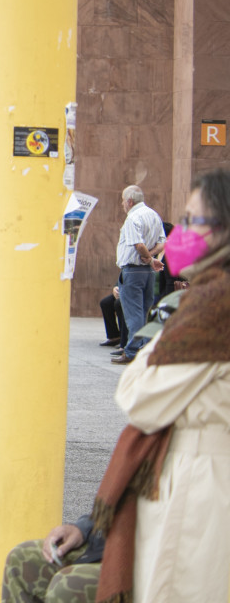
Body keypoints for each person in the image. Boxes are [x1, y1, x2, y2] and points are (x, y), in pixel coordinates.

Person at [93, 168, 230, 602]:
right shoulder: (204, 298)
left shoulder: (212, 306)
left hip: (199, 485)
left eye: (193, 221)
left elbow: (140, 399)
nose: (178, 234)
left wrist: (147, 355)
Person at [110, 186, 165, 365]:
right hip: (147, 273)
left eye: (122, 200)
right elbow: (162, 242)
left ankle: (132, 351)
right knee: (145, 311)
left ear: (129, 201)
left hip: (133, 270)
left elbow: (138, 245)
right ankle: (145, 349)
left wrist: (148, 258)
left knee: (134, 314)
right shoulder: (154, 215)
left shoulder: (133, 217)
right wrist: (151, 258)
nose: (122, 204)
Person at [0, 516, 105, 603]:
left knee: (66, 585)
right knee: (20, 559)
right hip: (101, 545)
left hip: (118, 563)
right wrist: (82, 528)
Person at [97, 282, 126, 349]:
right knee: (105, 303)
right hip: (124, 290)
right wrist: (115, 287)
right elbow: (122, 277)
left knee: (118, 304)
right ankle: (114, 336)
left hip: (135, 292)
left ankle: (124, 339)